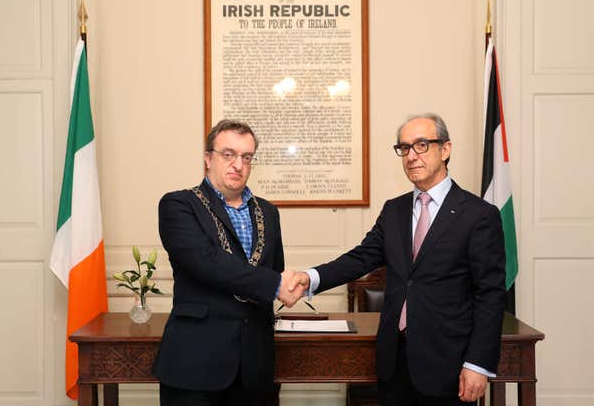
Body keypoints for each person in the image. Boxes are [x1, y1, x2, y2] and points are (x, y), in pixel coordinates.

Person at [288, 114, 506, 406]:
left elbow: (490, 294)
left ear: (445, 149)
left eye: (422, 145)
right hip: (394, 363)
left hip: (449, 365)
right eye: (404, 148)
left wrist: (477, 364)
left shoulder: (479, 214)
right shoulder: (394, 210)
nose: (411, 156)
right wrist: (310, 277)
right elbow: (361, 257)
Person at [152, 119, 301, 406]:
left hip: (255, 368)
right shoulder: (178, 205)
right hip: (195, 364)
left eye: (246, 157)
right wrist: (275, 284)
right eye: (228, 154)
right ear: (208, 158)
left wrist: (284, 283)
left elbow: (274, 269)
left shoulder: (269, 212)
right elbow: (206, 262)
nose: (238, 164)